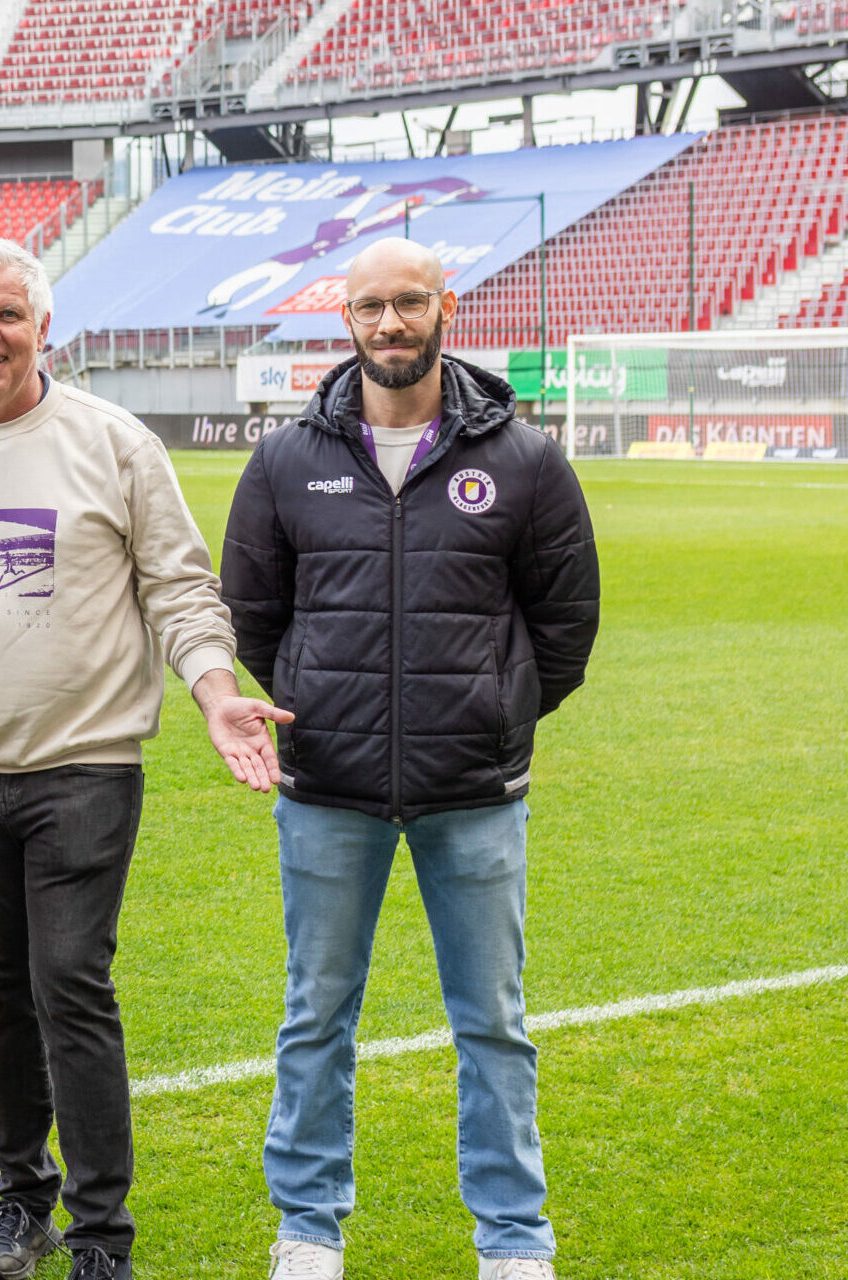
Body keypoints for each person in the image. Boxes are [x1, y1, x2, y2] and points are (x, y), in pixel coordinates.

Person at [0, 238, 293, 1280]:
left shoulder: (112, 443)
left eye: (8, 316)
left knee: (69, 981)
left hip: (83, 770)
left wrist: (214, 693)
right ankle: (18, 1203)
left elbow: (178, 585)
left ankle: (99, 1236)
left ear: (43, 329)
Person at [220, 238, 598, 1280]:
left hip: (472, 791)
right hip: (328, 789)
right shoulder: (286, 458)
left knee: (494, 1023)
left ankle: (514, 1237)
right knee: (315, 1014)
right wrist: (323, 700)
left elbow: (565, 622)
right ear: (345, 318)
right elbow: (252, 617)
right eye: (371, 306)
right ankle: (306, 1226)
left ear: (445, 308)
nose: (390, 324)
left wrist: (492, 713)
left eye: (409, 304)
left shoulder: (522, 458)